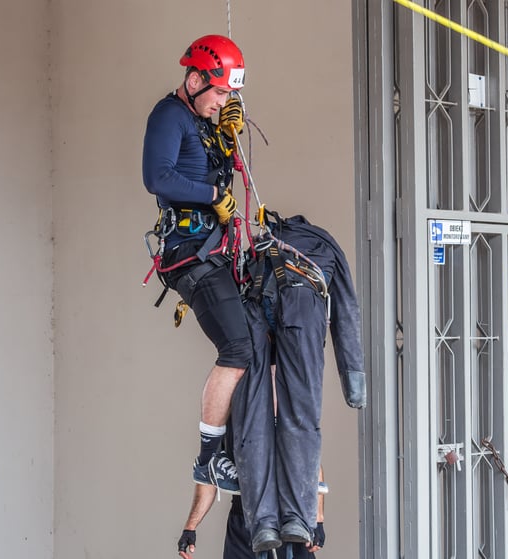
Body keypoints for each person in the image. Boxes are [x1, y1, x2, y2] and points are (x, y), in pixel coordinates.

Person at [142, 34, 251, 493]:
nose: (223, 100)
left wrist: (229, 136)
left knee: (255, 342)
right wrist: (211, 196)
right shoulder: (170, 115)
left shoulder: (205, 121)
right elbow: (157, 177)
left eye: (230, 94)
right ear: (194, 79)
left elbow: (216, 168)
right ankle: (209, 458)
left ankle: (239, 444)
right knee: (238, 349)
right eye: (220, 91)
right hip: (188, 254)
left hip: (214, 249)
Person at [231, 212, 367, 552]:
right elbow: (346, 311)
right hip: (302, 306)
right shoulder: (325, 245)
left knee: (251, 421)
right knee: (300, 417)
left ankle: (262, 524)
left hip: (252, 306)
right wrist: (354, 385)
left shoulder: (260, 245)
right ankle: (296, 518)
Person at [178, 472, 327, 559]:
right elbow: (210, 476)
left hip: (291, 524)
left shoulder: (290, 419)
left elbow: (312, 466)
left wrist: (318, 519)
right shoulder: (227, 423)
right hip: (245, 523)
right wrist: (190, 527)